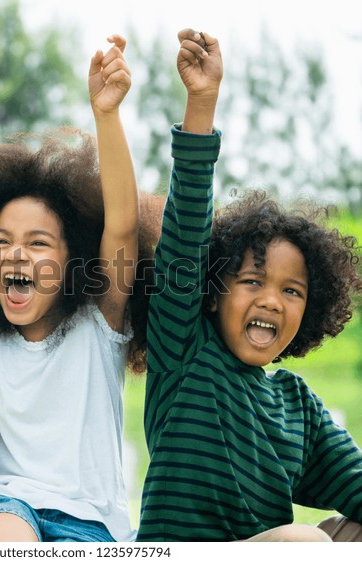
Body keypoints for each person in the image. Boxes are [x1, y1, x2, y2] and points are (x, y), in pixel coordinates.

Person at [0, 34, 159, 542]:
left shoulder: (99, 323)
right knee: (11, 544)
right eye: (2, 242)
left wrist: (106, 115)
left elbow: (123, 225)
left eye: (38, 244)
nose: (16, 255)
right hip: (8, 504)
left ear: (72, 261)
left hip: (92, 522)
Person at [137, 29, 362, 542]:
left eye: (291, 291)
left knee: (344, 531)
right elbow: (186, 229)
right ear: (213, 291)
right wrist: (202, 103)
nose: (270, 299)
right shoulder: (184, 351)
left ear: (310, 309)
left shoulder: (295, 405)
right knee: (308, 541)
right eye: (253, 280)